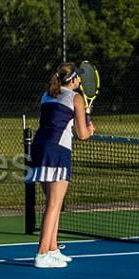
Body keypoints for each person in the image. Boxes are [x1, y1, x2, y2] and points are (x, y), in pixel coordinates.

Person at [25, 62, 95, 268]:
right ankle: (41, 254)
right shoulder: (76, 98)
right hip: (57, 152)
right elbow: (82, 134)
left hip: (38, 149)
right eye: (78, 76)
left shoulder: (46, 95)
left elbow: (59, 120)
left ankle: (53, 249)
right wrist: (91, 128)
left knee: (52, 204)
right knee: (54, 205)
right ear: (72, 79)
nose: (81, 80)